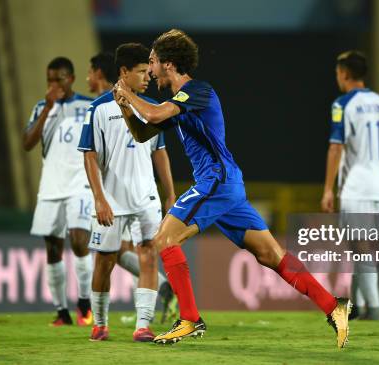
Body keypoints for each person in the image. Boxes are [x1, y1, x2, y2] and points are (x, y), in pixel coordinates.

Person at [114, 29, 351, 348]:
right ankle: (332, 305)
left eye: (153, 62)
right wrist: (127, 109)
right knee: (270, 254)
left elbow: (154, 112)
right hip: (228, 186)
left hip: (217, 180)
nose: (150, 69)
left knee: (165, 239)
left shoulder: (197, 92)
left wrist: (127, 93)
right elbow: (144, 133)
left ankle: (189, 319)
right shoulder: (179, 102)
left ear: (169, 64)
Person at [78, 43, 173, 342]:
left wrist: (169, 194)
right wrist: (99, 198)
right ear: (123, 72)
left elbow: (160, 152)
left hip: (146, 198)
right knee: (105, 261)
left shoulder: (150, 109)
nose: (148, 77)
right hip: (112, 200)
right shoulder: (99, 109)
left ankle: (142, 325)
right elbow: (89, 154)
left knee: (148, 256)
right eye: (142, 72)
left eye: (149, 71)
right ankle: (100, 323)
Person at [321, 50, 379, 321]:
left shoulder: (343, 104)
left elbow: (335, 148)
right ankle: (359, 305)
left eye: (338, 73)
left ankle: (374, 309)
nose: (338, 78)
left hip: (357, 185)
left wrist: (328, 189)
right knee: (362, 246)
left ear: (346, 74)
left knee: (360, 246)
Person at [23, 57, 94, 326]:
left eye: (59, 79)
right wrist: (47, 110)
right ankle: (62, 312)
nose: (54, 85)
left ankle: (85, 301)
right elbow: (28, 143)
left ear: (72, 78)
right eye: (50, 80)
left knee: (78, 240)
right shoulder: (42, 107)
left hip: (80, 185)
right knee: (53, 249)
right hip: (51, 187)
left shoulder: (88, 106)